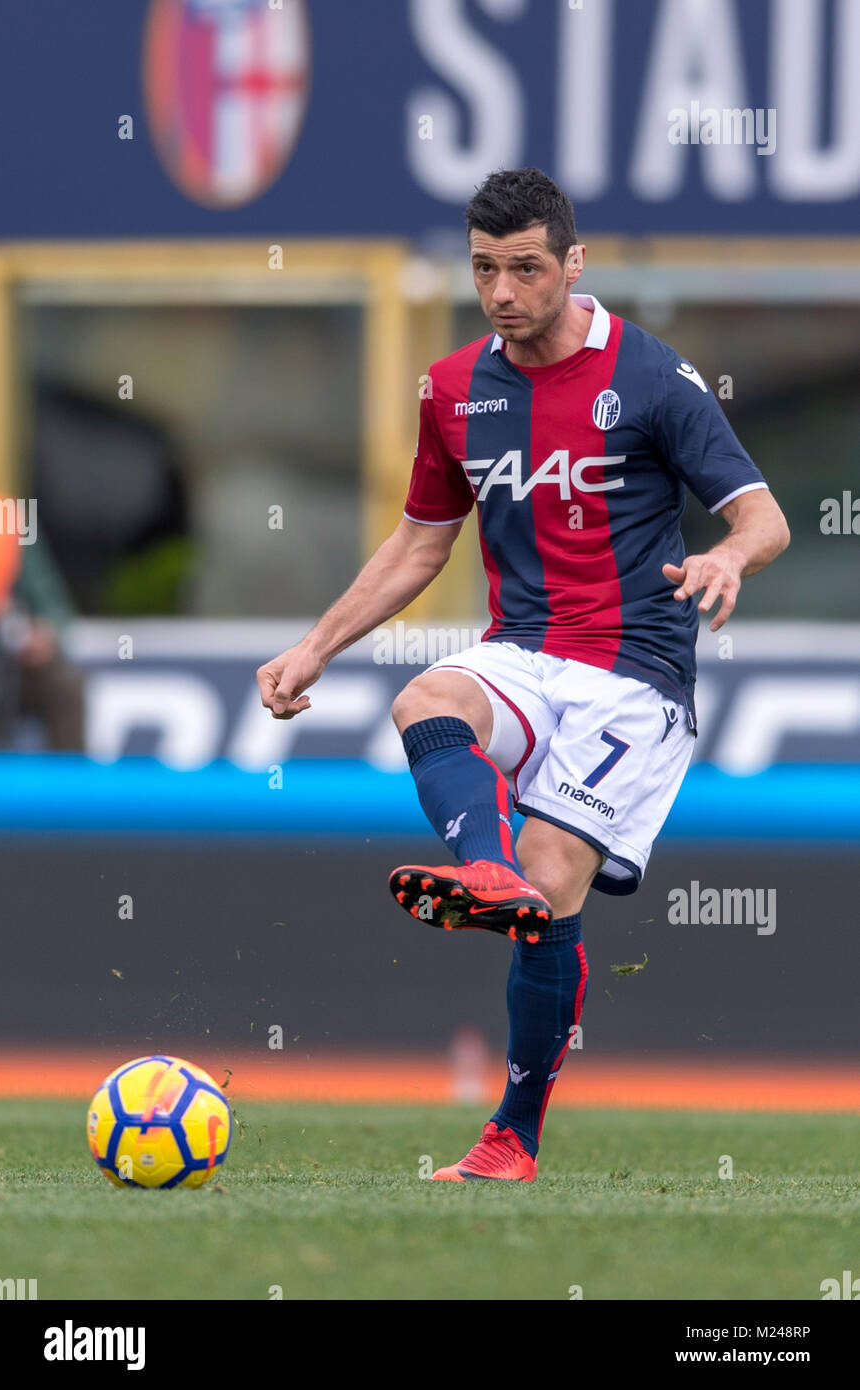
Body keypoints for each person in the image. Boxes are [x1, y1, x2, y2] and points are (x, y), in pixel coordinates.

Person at [257, 168, 790, 1182]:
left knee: (551, 890)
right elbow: (421, 543)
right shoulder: (452, 387)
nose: (501, 292)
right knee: (423, 697)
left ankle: (511, 1134)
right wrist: (314, 647)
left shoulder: (648, 375)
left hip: (634, 673)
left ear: (571, 264)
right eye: (483, 269)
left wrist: (724, 558)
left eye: (525, 269)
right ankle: (481, 864)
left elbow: (760, 518)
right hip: (521, 651)